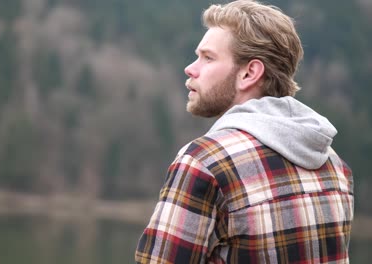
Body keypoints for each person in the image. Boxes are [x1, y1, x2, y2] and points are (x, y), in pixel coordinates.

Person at [135, 0, 354, 263]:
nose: (191, 68)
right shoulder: (335, 167)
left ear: (249, 73)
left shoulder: (204, 163)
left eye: (208, 58)